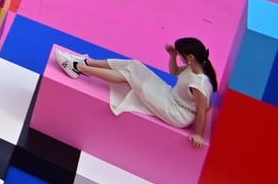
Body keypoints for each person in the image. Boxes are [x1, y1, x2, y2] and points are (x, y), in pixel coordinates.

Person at [55, 38, 218, 148]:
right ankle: (86, 62)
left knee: (130, 75)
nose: (180, 58)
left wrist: (198, 135)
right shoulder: (193, 68)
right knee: (135, 66)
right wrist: (173, 56)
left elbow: (202, 111)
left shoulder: (199, 83)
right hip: (170, 96)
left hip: (177, 113)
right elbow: (175, 71)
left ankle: (77, 67)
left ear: (190, 57)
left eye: (181, 55)